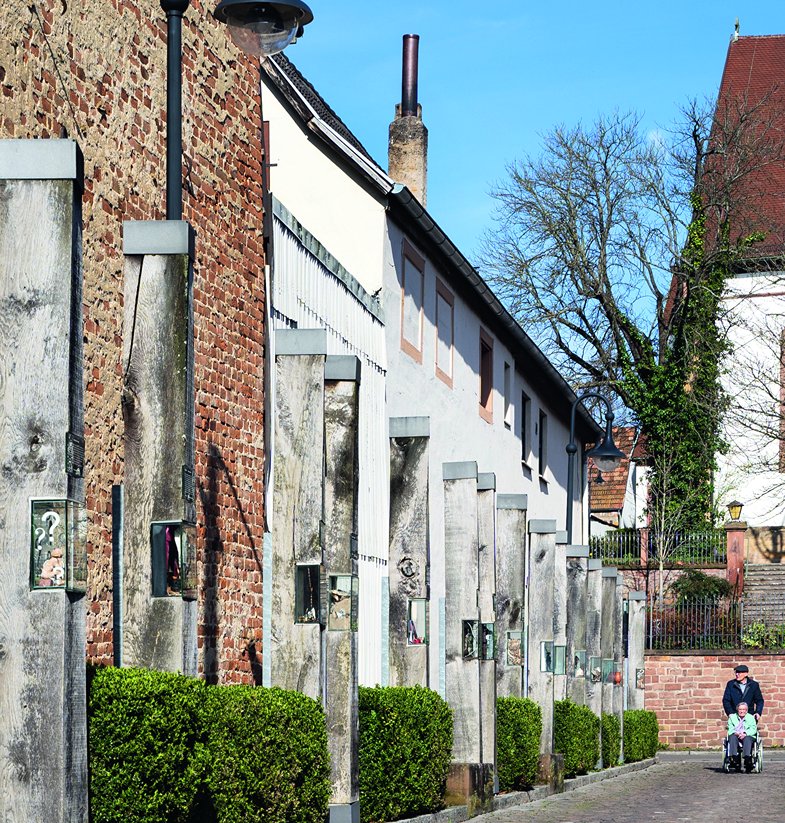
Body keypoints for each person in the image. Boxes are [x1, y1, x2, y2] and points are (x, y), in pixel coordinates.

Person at [726, 701, 757, 772]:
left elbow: (753, 729)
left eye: (744, 709)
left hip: (747, 735)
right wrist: (736, 733)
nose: (742, 711)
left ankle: (747, 758)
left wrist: (745, 733)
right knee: (732, 737)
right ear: (737, 710)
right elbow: (730, 728)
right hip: (736, 734)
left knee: (747, 739)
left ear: (746, 710)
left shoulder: (751, 718)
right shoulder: (732, 717)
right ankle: (734, 758)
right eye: (740, 709)